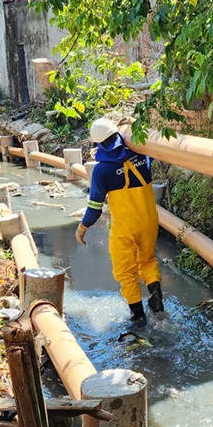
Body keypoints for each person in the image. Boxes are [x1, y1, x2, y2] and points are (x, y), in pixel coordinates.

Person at [75, 117, 164, 324]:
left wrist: (81, 228)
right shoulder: (142, 155)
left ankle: (138, 316)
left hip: (125, 228)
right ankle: (156, 297)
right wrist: (134, 124)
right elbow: (151, 142)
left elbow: (94, 209)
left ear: (99, 144)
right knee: (147, 261)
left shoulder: (101, 170)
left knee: (125, 272)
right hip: (150, 222)